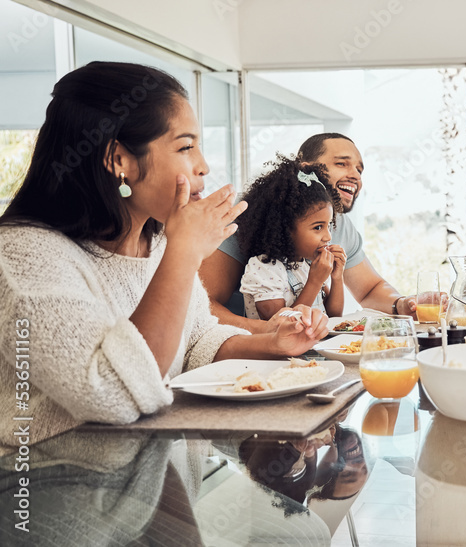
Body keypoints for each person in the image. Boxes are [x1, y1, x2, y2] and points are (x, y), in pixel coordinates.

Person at [0, 62, 328, 448]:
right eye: (186, 146)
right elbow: (114, 393)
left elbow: (196, 339)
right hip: (56, 493)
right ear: (118, 159)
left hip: (152, 486)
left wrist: (272, 344)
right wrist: (184, 252)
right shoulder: (23, 258)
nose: (203, 165)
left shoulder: (155, 244)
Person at [200, 133, 416, 333]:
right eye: (342, 163)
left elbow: (370, 289)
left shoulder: (340, 224)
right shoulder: (249, 213)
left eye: (359, 170)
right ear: (305, 169)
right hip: (242, 349)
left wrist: (403, 304)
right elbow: (203, 304)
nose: (355, 176)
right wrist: (267, 334)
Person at [237, 155, 346, 320]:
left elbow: (334, 316)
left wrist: (337, 277)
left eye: (329, 225)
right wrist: (314, 282)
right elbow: (280, 325)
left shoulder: (307, 264)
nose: (328, 236)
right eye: (318, 227)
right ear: (285, 229)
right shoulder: (264, 269)